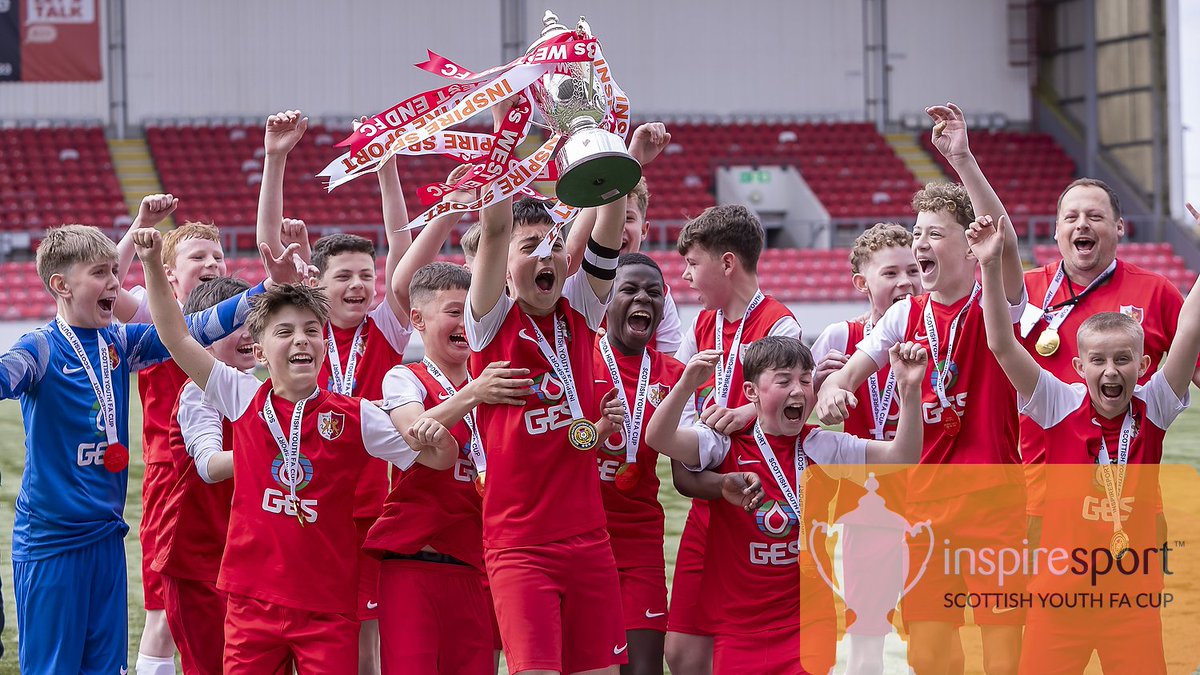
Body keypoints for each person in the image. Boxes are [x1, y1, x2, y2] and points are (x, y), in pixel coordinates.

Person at [136, 227, 458, 673]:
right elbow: (174, 335)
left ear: (324, 345)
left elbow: (435, 459)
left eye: (311, 330)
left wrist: (436, 439)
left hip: (326, 606)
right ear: (261, 349)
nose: (301, 339)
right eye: (284, 331)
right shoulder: (240, 396)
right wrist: (153, 264)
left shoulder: (357, 416)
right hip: (251, 603)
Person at [0, 224, 292, 673]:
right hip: (51, 543)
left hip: (106, 535)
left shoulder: (120, 343)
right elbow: (8, 372)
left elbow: (194, 327)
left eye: (114, 274)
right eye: (100, 273)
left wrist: (269, 288)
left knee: (106, 665)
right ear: (60, 285)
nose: (115, 283)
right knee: (54, 666)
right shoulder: (39, 349)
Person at [816, 103, 1029, 675]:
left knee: (1004, 654)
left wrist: (961, 158)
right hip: (924, 510)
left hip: (995, 506)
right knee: (934, 653)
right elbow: (853, 369)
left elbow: (1003, 240)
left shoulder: (999, 302)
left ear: (969, 242)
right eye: (917, 234)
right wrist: (835, 389)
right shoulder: (903, 314)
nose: (920, 245)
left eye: (935, 234)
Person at [969, 209, 1200, 674]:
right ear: (1079, 368)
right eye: (1097, 360)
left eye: (1123, 360)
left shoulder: (1153, 405)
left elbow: (1191, 327)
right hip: (1058, 603)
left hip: (1131, 602)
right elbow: (1001, 343)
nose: (1111, 371)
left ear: (1145, 364)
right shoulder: (1058, 403)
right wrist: (990, 266)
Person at [464, 95, 630, 675]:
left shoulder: (580, 311)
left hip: (588, 539)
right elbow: (492, 229)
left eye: (554, 246)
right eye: (529, 248)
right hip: (519, 546)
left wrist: (614, 160)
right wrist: (501, 134)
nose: (545, 256)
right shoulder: (489, 323)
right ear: (505, 268)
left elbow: (606, 240)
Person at [646, 336, 927, 675]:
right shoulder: (722, 445)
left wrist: (910, 390)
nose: (799, 390)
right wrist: (686, 385)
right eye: (784, 380)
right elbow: (659, 438)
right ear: (751, 392)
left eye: (806, 380)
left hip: (807, 624)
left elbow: (902, 456)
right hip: (738, 627)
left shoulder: (823, 446)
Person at [255, 109, 416, 672]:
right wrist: (276, 157)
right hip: (298, 503)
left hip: (367, 510)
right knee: (291, 635)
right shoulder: (306, 331)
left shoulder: (388, 328)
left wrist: (387, 168)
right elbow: (269, 244)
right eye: (343, 276)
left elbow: (402, 247)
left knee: (364, 645)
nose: (358, 285)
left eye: (365, 276)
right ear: (316, 287)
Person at [368, 261, 532, 674]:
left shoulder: (494, 382)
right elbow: (412, 429)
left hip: (479, 566)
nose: (464, 323)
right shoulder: (405, 377)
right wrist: (474, 393)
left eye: (470, 312)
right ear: (419, 319)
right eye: (454, 311)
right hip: (412, 565)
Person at [666, 204, 801, 675]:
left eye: (692, 263)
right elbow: (676, 396)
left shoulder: (780, 324)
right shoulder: (701, 325)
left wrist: (746, 410)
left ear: (726, 263)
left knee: (749, 653)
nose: (684, 276)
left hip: (757, 504)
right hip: (709, 507)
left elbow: (790, 405)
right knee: (682, 654)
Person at [1018, 178, 1200, 523]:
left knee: (1136, 577)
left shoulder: (1157, 292)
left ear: (1119, 227)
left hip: (1134, 497)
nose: (1082, 224)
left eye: (1095, 216)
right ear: (1056, 230)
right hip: (1042, 499)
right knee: (1045, 578)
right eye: (1070, 217)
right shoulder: (1025, 293)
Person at [114, 194, 225, 675]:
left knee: (223, 601)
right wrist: (140, 224)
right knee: (162, 608)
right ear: (171, 275)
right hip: (173, 477)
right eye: (197, 257)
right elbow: (109, 284)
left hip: (226, 475)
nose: (211, 263)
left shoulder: (234, 314)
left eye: (217, 255)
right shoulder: (153, 317)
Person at [593, 253, 691, 675]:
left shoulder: (675, 375)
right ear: (606, 300)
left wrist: (726, 483)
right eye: (629, 289)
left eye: (654, 292)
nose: (643, 299)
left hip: (640, 542)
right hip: (579, 538)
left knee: (643, 668)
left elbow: (687, 473)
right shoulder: (577, 359)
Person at [153, 276, 252, 675]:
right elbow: (209, 466)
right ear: (206, 336)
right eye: (237, 324)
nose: (249, 333)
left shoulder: (258, 388)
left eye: (255, 321)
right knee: (212, 665)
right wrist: (269, 452)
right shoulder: (198, 391)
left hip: (239, 557)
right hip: (196, 561)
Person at [566, 123, 682, 355]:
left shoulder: (659, 295)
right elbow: (573, 251)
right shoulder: (571, 283)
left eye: (627, 218)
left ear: (645, 229)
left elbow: (671, 366)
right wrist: (632, 158)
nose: (616, 228)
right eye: (605, 220)